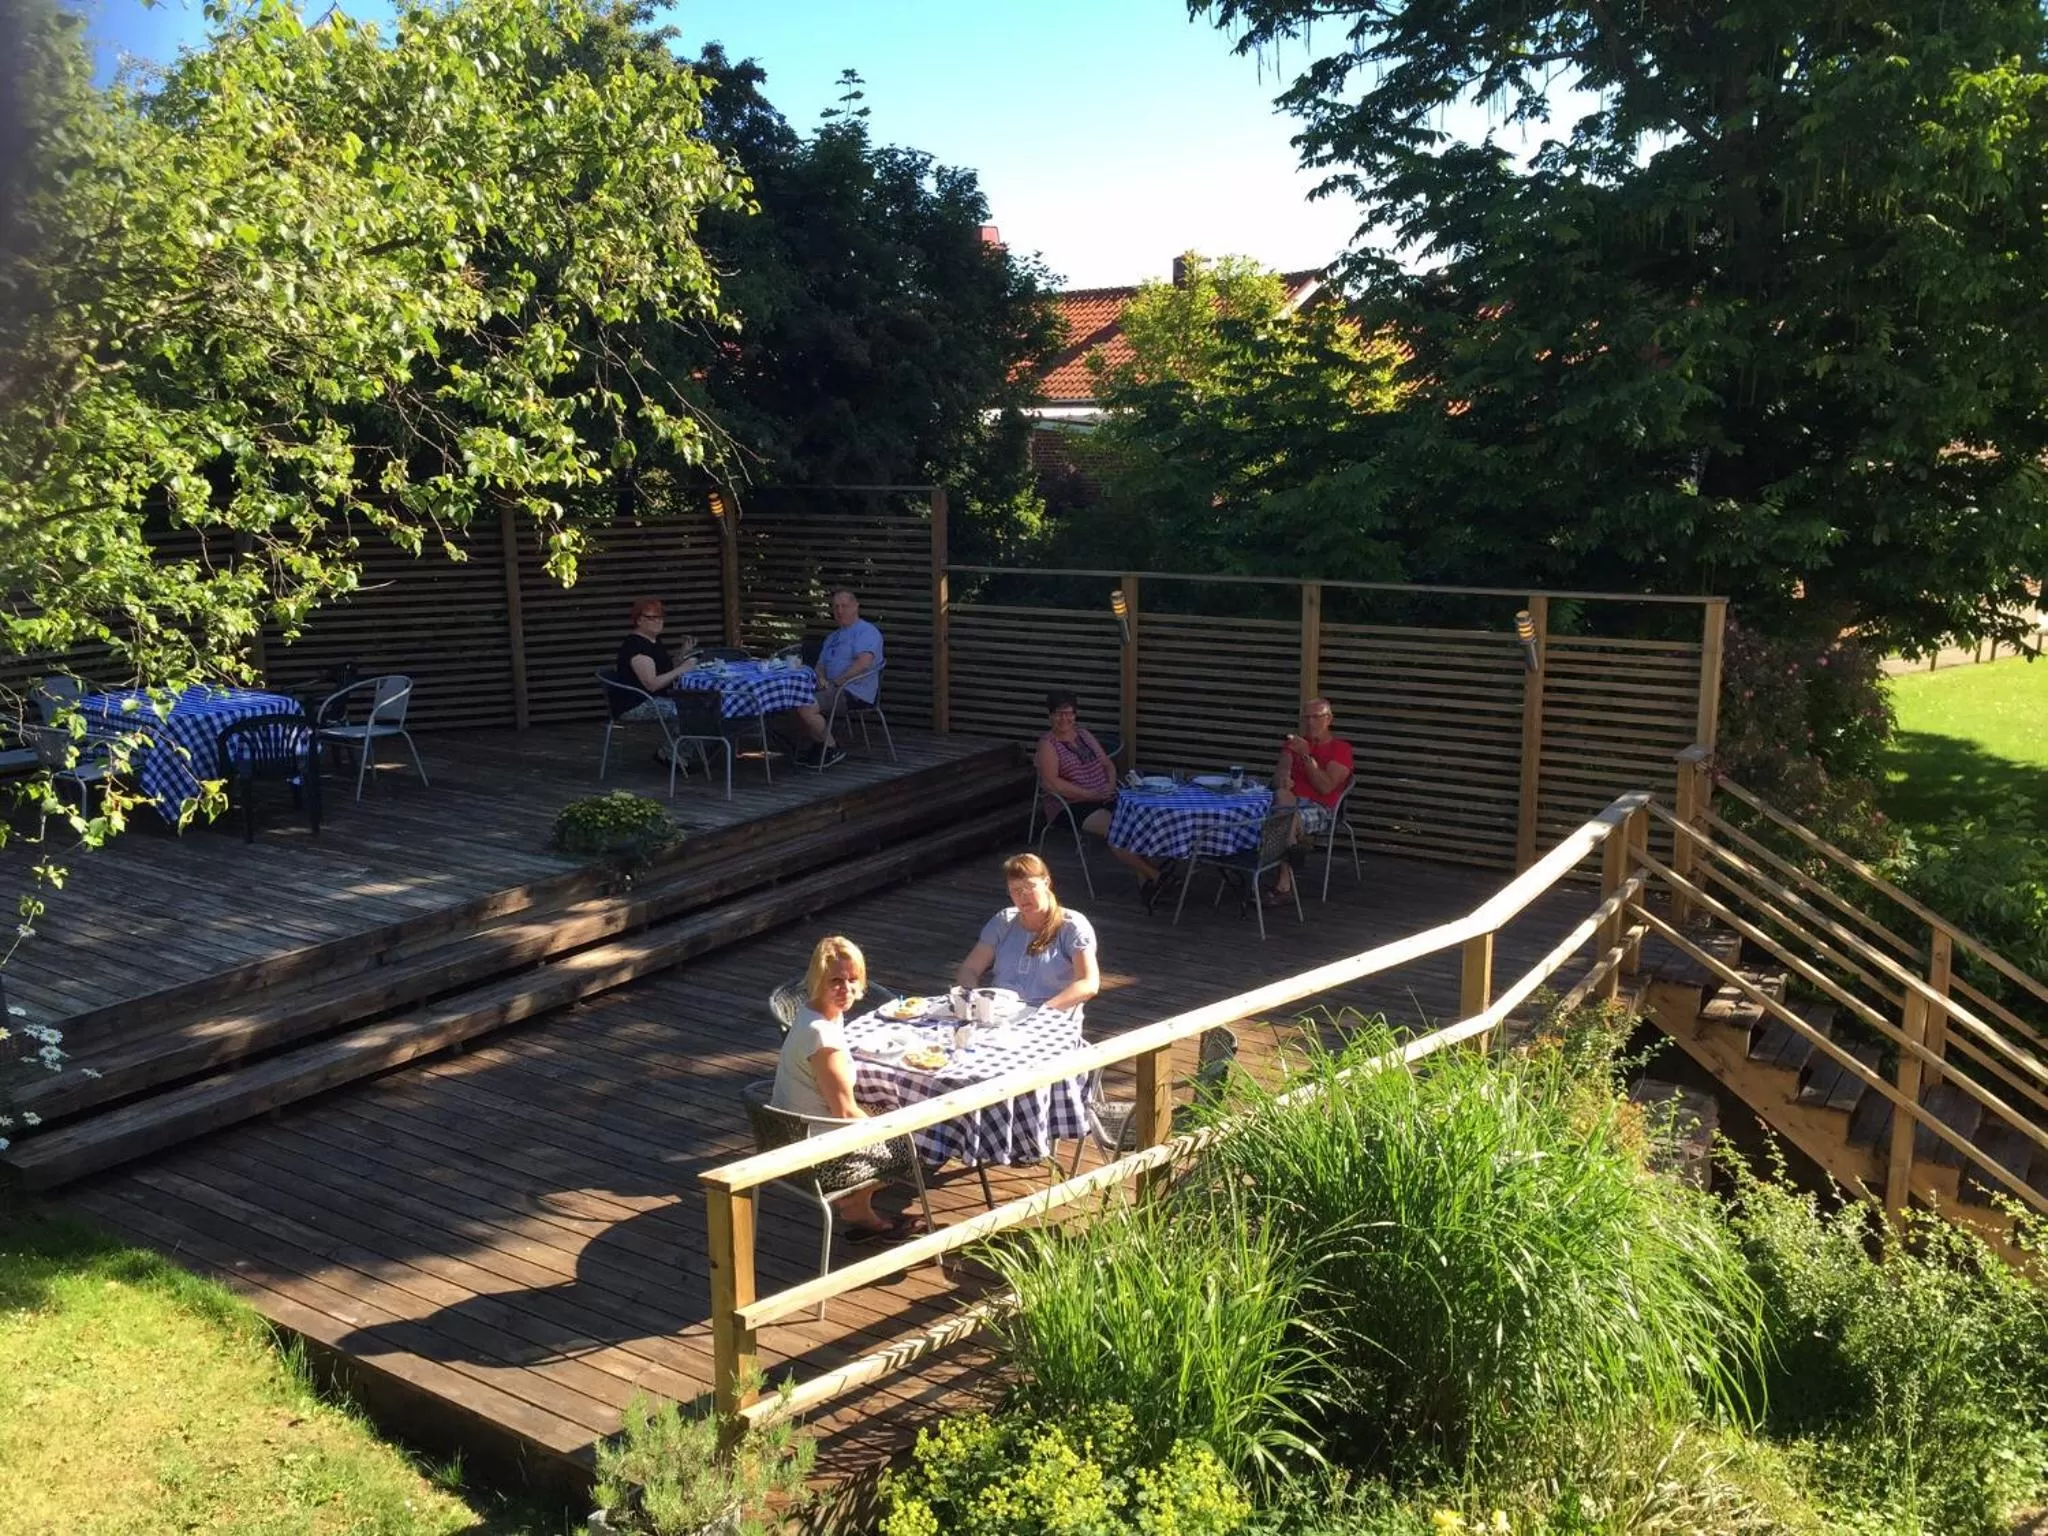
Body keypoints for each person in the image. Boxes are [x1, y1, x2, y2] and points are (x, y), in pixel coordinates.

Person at [769, 935, 920, 1239]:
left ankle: (858, 1204)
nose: (846, 989)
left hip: (790, 1132)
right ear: (817, 980)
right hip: (816, 1152)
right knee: (923, 1139)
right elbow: (845, 1113)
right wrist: (896, 1130)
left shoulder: (813, 1014)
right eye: (835, 980)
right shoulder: (822, 1038)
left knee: (893, 1111)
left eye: (853, 979)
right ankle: (854, 1201)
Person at [1034, 690, 1161, 896]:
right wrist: (1090, 794)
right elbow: (1052, 784)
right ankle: (1155, 875)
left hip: (1104, 795)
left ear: (1075, 714)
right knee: (1117, 829)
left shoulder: (1083, 735)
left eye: (1069, 713)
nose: (1064, 718)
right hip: (1071, 805)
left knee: (1141, 819)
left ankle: (1144, 879)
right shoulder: (1048, 745)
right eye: (1059, 714)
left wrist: (1110, 785)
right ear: (1050, 715)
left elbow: (1107, 763)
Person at [954, 853, 1100, 1014]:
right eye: (1015, 890)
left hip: (1051, 1016)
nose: (1023, 896)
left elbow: (1088, 983)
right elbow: (969, 969)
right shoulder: (1003, 922)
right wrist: (974, 1000)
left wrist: (1044, 1011)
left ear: (1046, 882)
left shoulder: (1072, 926)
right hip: (1000, 1013)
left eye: (1029, 887)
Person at [1269, 696, 1354, 902]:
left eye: (1316, 717)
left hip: (1320, 808)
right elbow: (1279, 773)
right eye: (1306, 718)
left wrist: (1307, 758)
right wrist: (1283, 779)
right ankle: (1292, 848)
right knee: (1281, 797)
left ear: (1329, 719)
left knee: (1280, 820)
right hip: (1288, 803)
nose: (1310, 723)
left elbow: (1325, 787)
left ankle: (1283, 883)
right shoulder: (1294, 744)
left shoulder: (1341, 749)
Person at [795, 588, 882, 768]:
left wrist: (838, 682)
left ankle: (831, 747)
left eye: (844, 606)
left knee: (805, 705)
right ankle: (816, 746)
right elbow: (820, 666)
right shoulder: (833, 637)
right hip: (830, 687)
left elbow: (863, 663)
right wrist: (820, 678)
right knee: (790, 700)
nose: (840, 611)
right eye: (836, 607)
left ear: (856, 606)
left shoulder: (866, 632)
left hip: (853, 690)